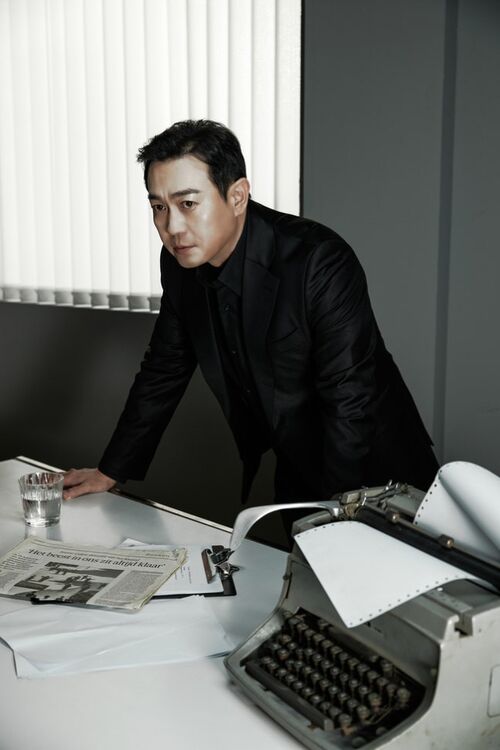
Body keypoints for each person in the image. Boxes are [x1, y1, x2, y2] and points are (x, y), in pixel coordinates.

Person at [64, 119, 438, 526]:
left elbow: (351, 399)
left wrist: (334, 518)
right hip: (297, 465)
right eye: (159, 207)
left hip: (380, 473)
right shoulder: (180, 265)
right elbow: (163, 370)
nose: (171, 227)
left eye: (188, 204)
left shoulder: (318, 260)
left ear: (237, 196)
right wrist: (111, 470)